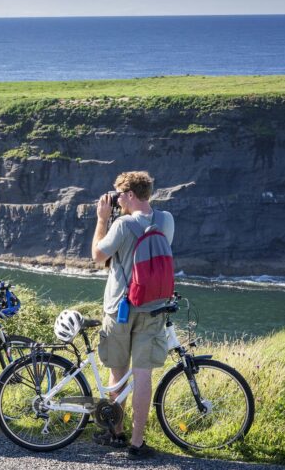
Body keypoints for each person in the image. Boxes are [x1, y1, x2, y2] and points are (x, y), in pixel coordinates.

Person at [91, 171, 175, 459]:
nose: (116, 201)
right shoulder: (166, 220)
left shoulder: (122, 225)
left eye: (118, 195)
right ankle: (137, 444)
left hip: (120, 309)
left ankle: (115, 433)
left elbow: (98, 257)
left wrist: (103, 219)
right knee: (142, 376)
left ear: (128, 195)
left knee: (118, 373)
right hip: (153, 308)